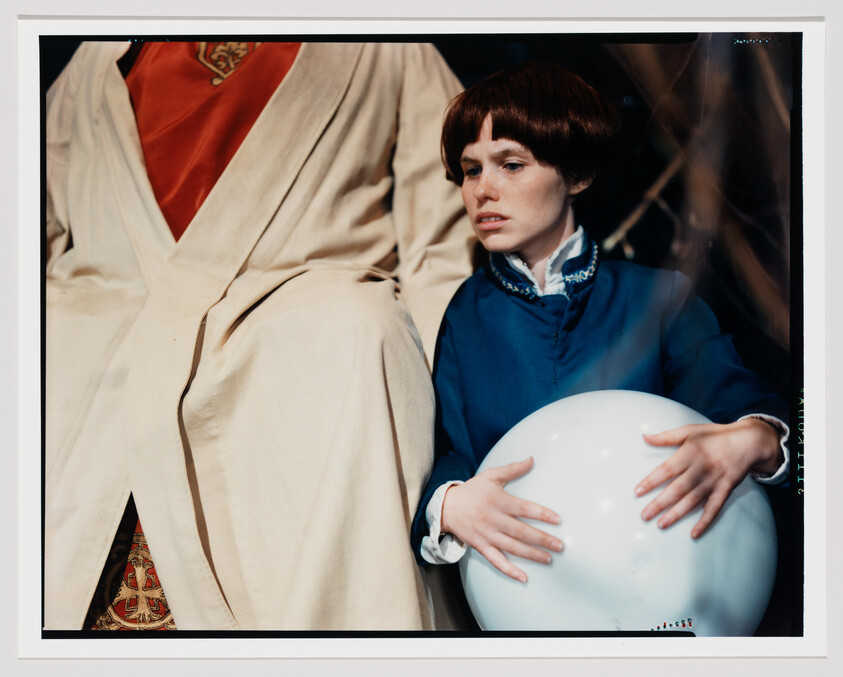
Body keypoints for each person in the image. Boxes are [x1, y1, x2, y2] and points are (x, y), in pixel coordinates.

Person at [44, 41, 475, 630]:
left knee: (358, 329)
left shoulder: (388, 46)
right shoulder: (100, 56)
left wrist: (456, 420)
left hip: (297, 300)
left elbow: (441, 250)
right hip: (109, 306)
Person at [409, 61, 789, 592]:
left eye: (511, 164)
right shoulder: (464, 314)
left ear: (577, 176)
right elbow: (451, 452)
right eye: (471, 170)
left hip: (671, 579)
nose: (483, 190)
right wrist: (449, 503)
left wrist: (755, 438)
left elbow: (755, 412)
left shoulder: (660, 297)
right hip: (526, 593)